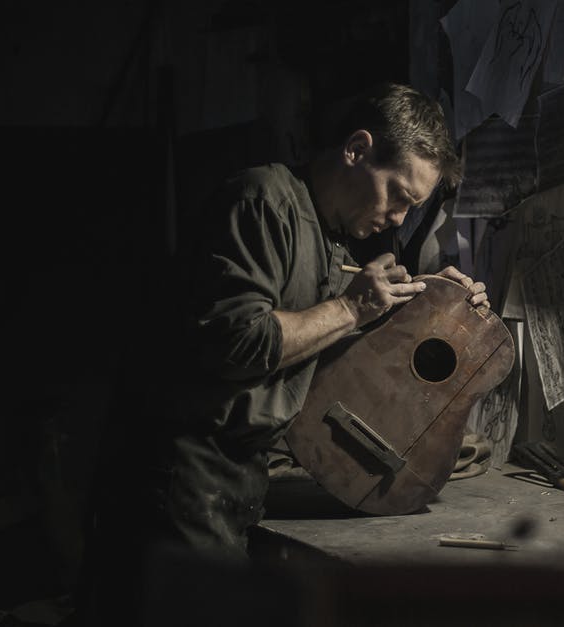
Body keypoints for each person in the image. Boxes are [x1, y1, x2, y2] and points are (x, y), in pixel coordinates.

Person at [74, 82, 488, 626]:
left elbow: (322, 355)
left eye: (413, 207)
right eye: (399, 195)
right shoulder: (265, 200)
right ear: (357, 149)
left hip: (238, 479)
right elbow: (238, 340)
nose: (397, 219)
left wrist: (445, 309)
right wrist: (349, 308)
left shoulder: (330, 239)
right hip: (180, 479)